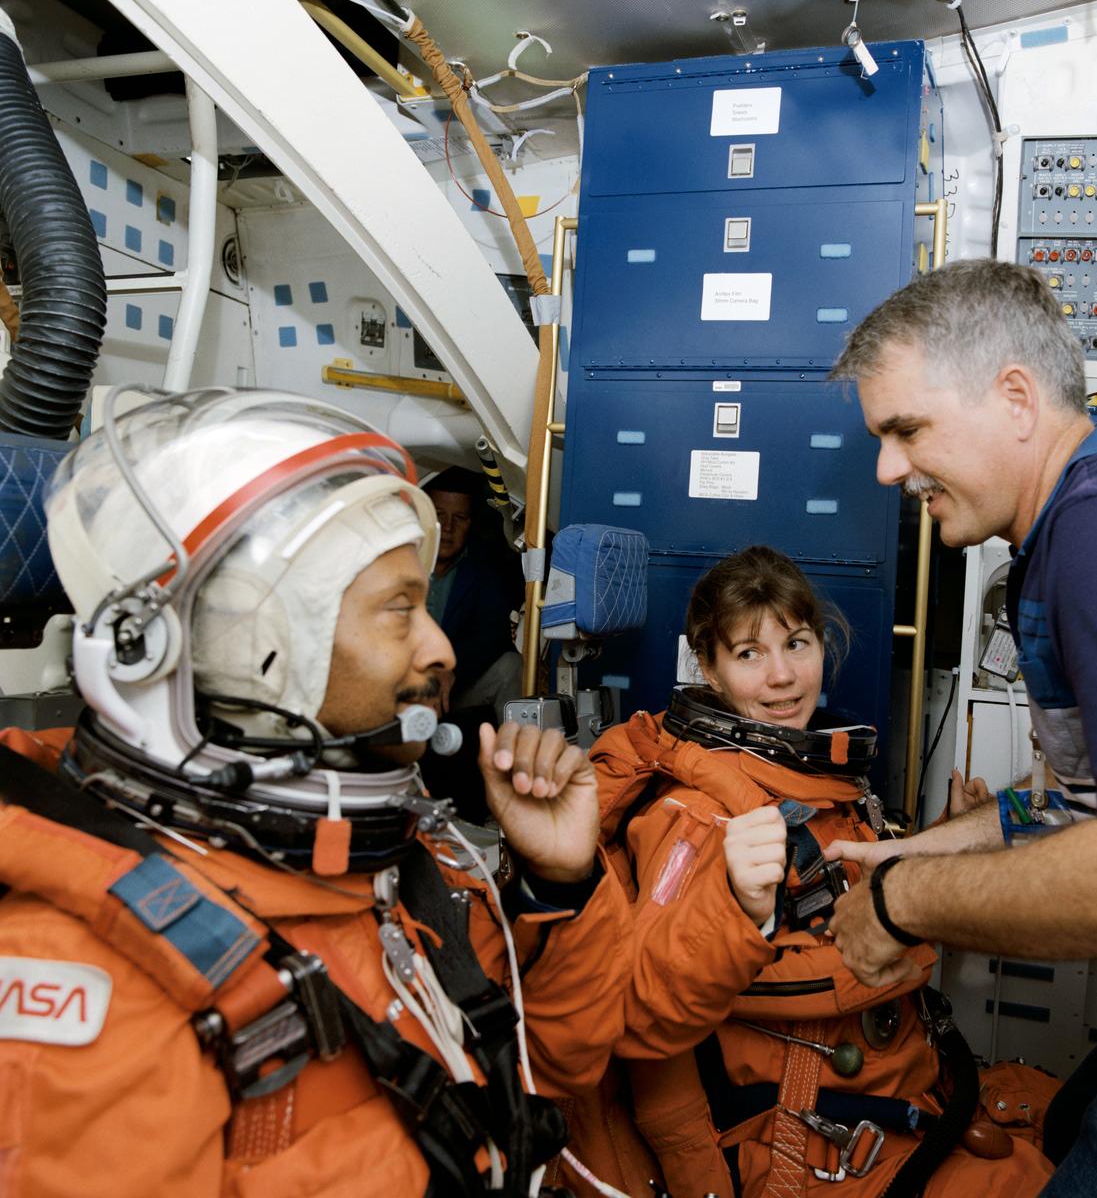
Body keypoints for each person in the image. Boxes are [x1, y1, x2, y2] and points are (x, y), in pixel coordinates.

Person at [0, 388, 631, 1197]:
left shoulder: (402, 866)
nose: (439, 646)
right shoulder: (91, 972)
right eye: (398, 612)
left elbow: (548, 1070)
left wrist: (561, 888)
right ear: (252, 650)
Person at [825, 258, 1097, 1197]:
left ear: (1016, 399)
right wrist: (917, 852)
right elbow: (1087, 802)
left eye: (905, 430)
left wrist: (903, 904)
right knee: (1072, 1120)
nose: (886, 468)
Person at [570, 545, 1054, 1198]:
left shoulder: (822, 783)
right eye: (748, 654)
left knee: (1078, 1111)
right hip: (803, 1141)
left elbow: (861, 892)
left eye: (796, 644)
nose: (782, 677)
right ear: (707, 671)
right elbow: (646, 1011)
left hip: (895, 1087)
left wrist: (945, 842)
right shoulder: (700, 811)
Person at [424, 466, 523, 714]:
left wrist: (448, 669)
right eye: (438, 515)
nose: (447, 528)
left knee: (512, 667)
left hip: (453, 683)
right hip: (398, 679)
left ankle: (512, 751)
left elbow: (490, 635)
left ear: (471, 522)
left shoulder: (484, 567)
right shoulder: (398, 561)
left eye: (459, 518)